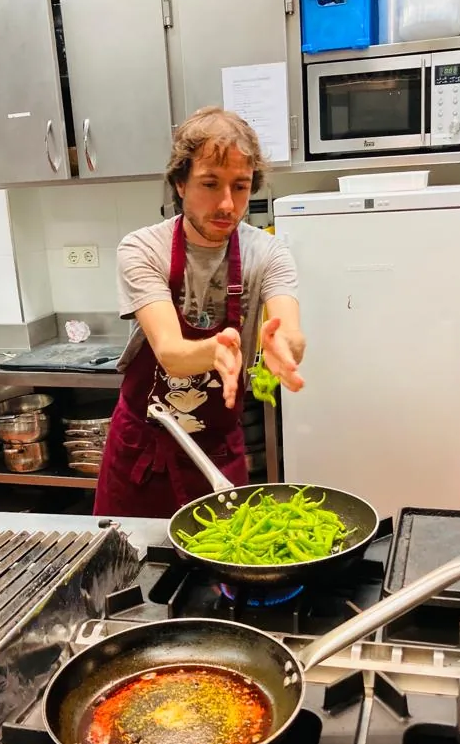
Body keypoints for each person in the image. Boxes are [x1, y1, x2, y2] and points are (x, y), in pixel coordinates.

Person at [94, 107, 305, 518]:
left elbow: (289, 328)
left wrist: (287, 346)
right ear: (180, 183)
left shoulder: (269, 252)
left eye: (240, 187)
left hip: (217, 453)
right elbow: (170, 350)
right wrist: (215, 351)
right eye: (210, 184)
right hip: (142, 451)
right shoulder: (142, 249)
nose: (227, 204)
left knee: (222, 571)